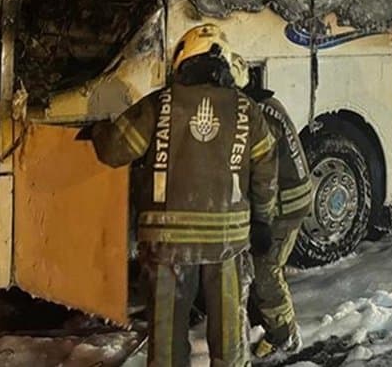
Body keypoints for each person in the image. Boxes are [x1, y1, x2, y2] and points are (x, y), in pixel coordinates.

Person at [91, 24, 278, 367]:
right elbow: (266, 170)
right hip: (227, 242)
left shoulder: (160, 104)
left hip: (168, 244)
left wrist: (98, 129)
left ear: (183, 61)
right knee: (229, 339)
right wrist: (262, 220)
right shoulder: (246, 109)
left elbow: (114, 150)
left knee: (167, 341)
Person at [229, 54, 313, 364]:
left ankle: (284, 336)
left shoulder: (255, 115)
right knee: (264, 267)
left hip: (283, 206)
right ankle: (267, 324)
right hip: (292, 198)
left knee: (266, 271)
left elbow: (257, 172)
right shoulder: (266, 104)